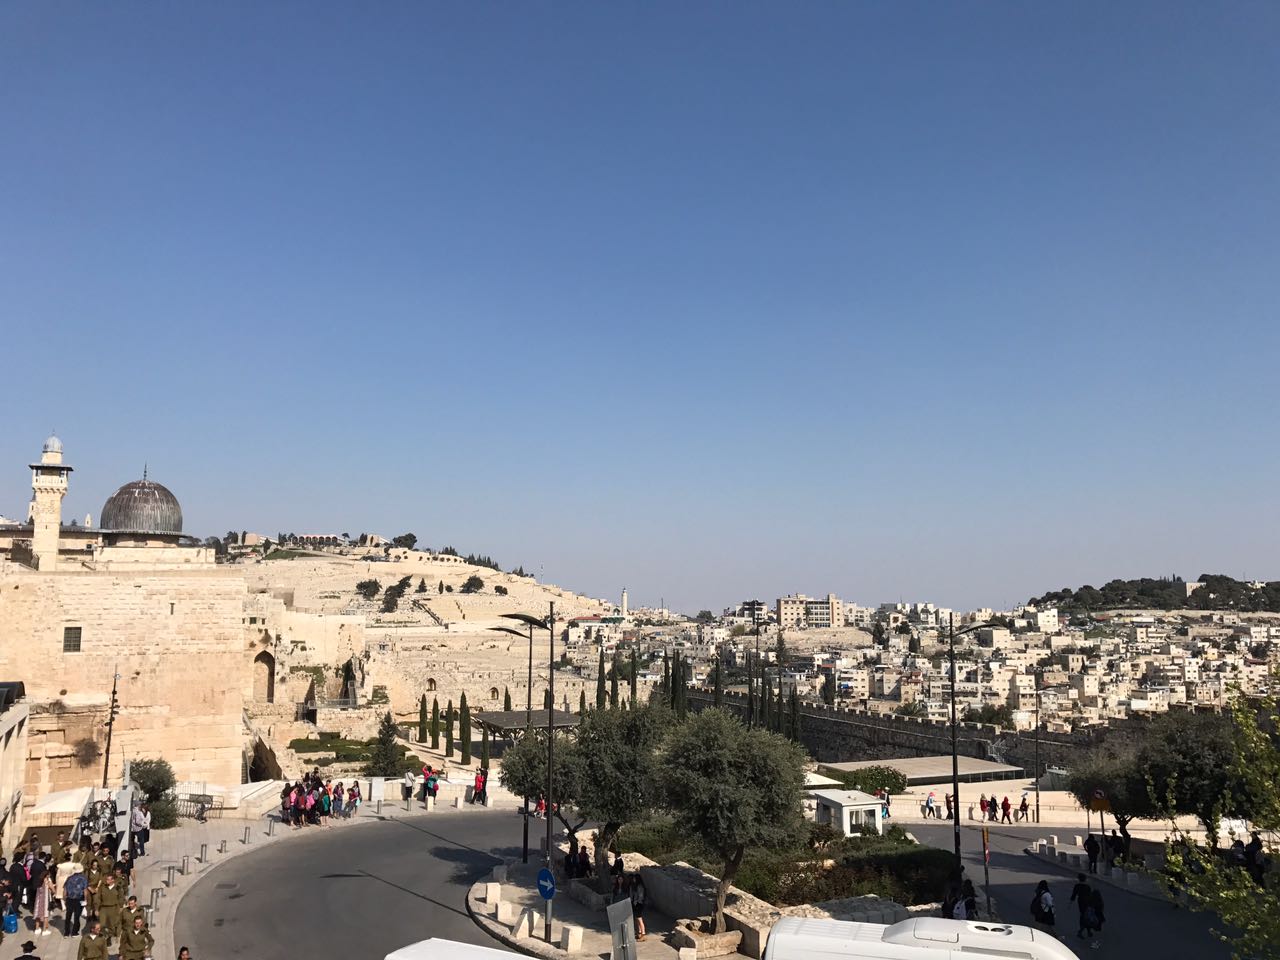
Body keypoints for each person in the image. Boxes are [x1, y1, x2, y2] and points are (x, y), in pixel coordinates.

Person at [96, 872, 123, 943]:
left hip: (113, 908)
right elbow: (98, 898)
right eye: (106, 879)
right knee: (102, 924)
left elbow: (121, 898)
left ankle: (109, 937)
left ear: (112, 880)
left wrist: (120, 907)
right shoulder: (103, 887)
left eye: (108, 879)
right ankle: (103, 935)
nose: (106, 881)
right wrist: (96, 909)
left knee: (112, 924)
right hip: (103, 908)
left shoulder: (118, 888)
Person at [63, 862, 87, 937]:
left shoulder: (69, 878)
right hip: (79, 899)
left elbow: (65, 890)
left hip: (69, 899)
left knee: (68, 915)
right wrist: (85, 900)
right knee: (77, 916)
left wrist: (64, 899)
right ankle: (74, 932)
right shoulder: (83, 879)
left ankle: (66, 933)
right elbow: (85, 890)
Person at [32, 855, 52, 937]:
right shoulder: (47, 880)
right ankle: (44, 930)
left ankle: (37, 929)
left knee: (37, 913)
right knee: (45, 914)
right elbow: (52, 890)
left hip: (38, 899)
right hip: (45, 899)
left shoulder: (39, 881)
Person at [630, 874, 647, 941]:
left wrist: (637, 903)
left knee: (639, 919)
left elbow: (641, 896)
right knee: (637, 919)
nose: (633, 880)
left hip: (639, 904)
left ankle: (643, 933)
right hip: (635, 903)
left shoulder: (640, 886)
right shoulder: (634, 886)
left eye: (634, 878)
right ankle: (639, 933)